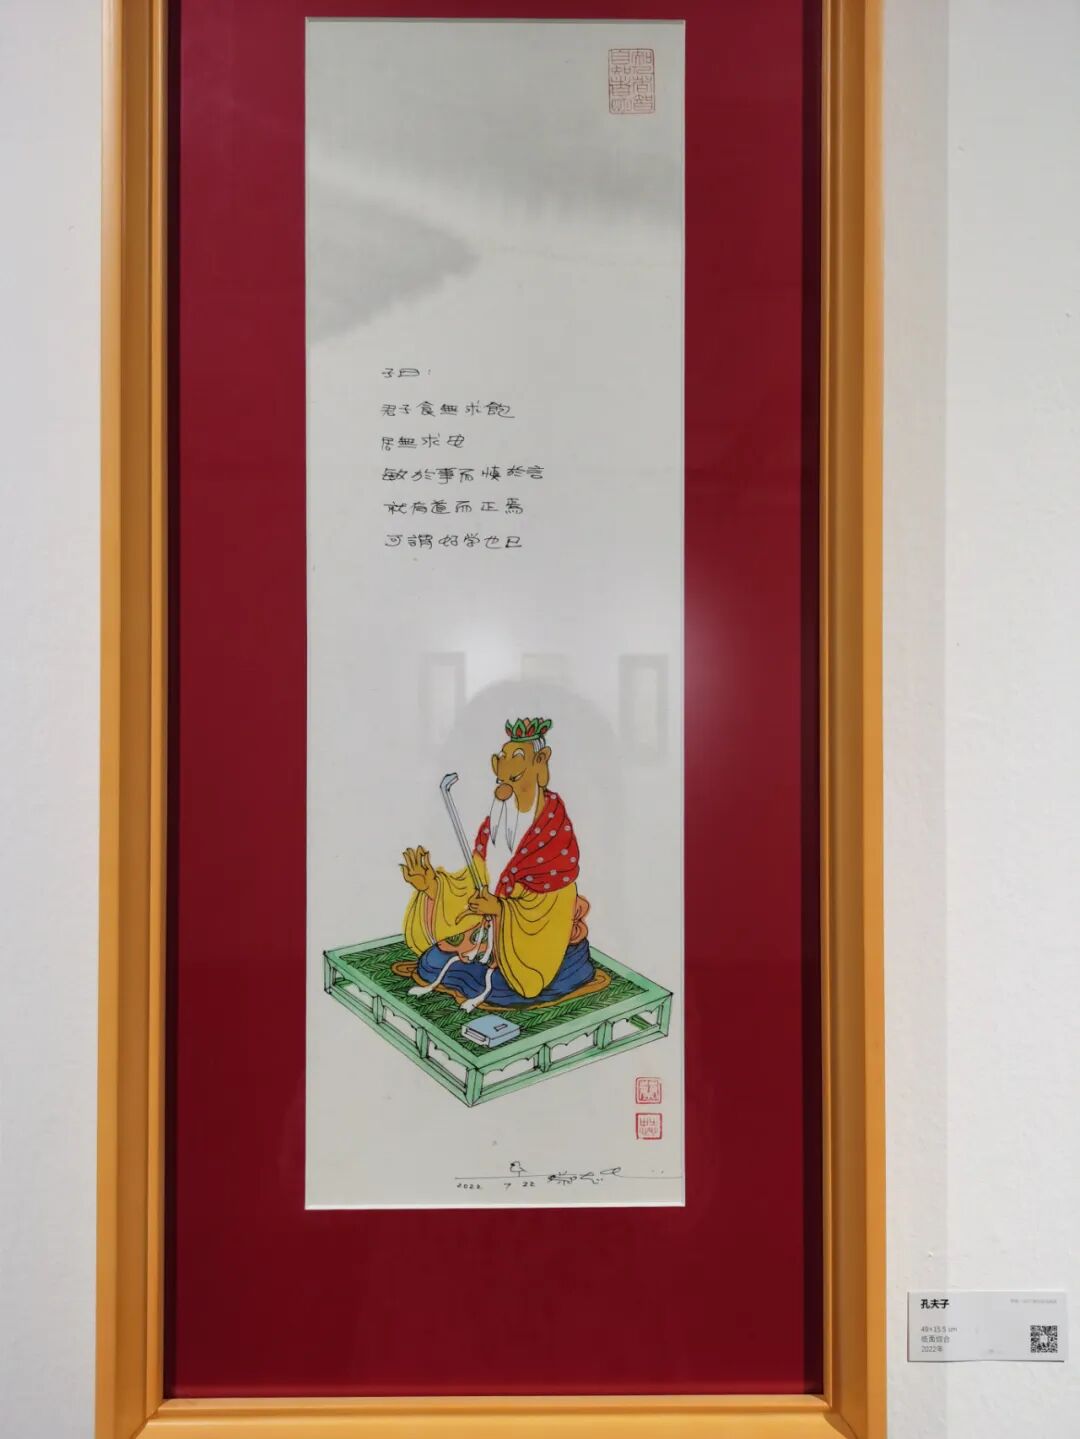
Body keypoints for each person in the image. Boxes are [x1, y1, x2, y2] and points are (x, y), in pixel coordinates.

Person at [400, 717, 592, 1007]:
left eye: (517, 759)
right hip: (487, 936)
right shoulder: (496, 827)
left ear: (540, 762)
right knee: (432, 960)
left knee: (504, 987)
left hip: (530, 946)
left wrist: (501, 910)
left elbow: (548, 908)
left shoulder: (554, 837)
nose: (502, 768)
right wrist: (432, 888)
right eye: (502, 758)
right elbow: (473, 884)